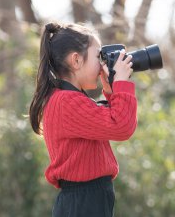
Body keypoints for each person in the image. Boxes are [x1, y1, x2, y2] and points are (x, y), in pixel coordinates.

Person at [29, 22, 137, 217]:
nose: (102, 63)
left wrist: (112, 91)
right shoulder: (66, 101)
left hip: (87, 200)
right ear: (76, 61)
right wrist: (121, 83)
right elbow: (121, 127)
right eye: (98, 56)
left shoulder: (70, 99)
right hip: (83, 202)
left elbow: (110, 120)